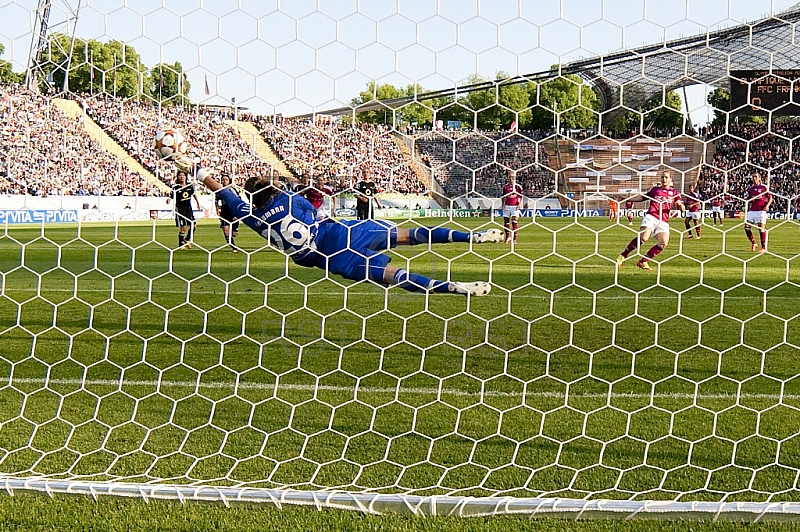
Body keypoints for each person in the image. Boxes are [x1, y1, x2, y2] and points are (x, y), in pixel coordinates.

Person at [173, 156, 503, 296]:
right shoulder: (288, 198)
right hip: (337, 232)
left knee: (392, 277)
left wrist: (199, 171)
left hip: (330, 259)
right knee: (407, 235)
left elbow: (224, 193)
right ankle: (472, 236)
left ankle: (454, 288)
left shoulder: (253, 219)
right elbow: (312, 212)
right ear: (271, 188)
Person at [616, 171, 685, 271]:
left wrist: (680, 206)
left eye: (666, 177)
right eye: (662, 177)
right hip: (651, 217)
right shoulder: (655, 190)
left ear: (670, 179)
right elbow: (642, 198)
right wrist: (629, 199)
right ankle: (623, 255)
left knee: (663, 243)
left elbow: (682, 208)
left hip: (663, 221)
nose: (663, 179)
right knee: (644, 237)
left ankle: (643, 261)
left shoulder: (675, 193)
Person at [168, 172, 201, 249]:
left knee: (194, 226)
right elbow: (171, 196)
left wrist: (198, 203)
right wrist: (169, 199)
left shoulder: (189, 185)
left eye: (183, 176)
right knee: (184, 226)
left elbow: (194, 194)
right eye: (180, 176)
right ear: (178, 177)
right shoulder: (175, 187)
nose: (182, 177)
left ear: (186, 177)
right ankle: (181, 244)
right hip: (180, 208)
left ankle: (186, 239)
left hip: (188, 208)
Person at [744, 173, 772, 253]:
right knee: (746, 227)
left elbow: (770, 198)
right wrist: (749, 200)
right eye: (753, 177)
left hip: (761, 210)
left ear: (759, 178)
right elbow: (748, 199)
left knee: (761, 228)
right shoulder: (751, 189)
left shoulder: (764, 187)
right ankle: (754, 243)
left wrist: (767, 206)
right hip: (752, 210)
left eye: (756, 177)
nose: (754, 178)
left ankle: (763, 247)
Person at [216, 174, 241, 253]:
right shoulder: (220, 190)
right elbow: (216, 200)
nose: (224, 181)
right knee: (226, 231)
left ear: (229, 181)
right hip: (224, 212)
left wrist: (237, 213)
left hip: (233, 212)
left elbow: (239, 200)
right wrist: (217, 209)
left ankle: (232, 240)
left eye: (226, 179)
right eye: (223, 179)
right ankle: (234, 248)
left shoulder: (233, 190)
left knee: (234, 234)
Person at [502, 171, 523, 244]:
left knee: (514, 222)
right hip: (507, 206)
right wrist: (503, 205)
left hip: (515, 206)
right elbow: (503, 197)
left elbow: (522, 196)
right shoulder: (505, 187)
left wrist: (519, 204)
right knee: (506, 222)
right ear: (508, 178)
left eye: (512, 177)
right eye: (510, 177)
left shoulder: (518, 186)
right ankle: (508, 237)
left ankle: (514, 239)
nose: (511, 179)